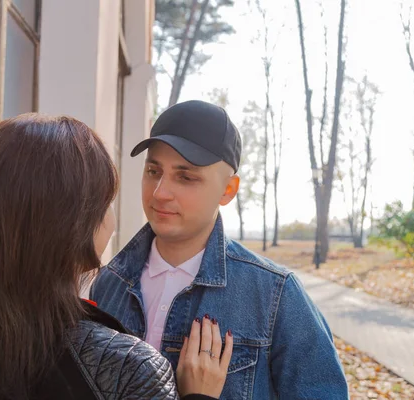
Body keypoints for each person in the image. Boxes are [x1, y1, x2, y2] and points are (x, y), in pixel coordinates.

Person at [0, 113, 234, 400]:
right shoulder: (132, 367)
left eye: (185, 176)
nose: (160, 194)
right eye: (106, 202)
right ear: (71, 225)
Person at [90, 100, 350, 399]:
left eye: (185, 176)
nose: (160, 192)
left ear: (228, 190)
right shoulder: (108, 284)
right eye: (153, 171)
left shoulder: (275, 295)